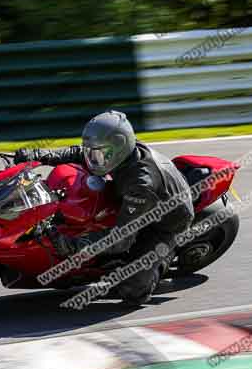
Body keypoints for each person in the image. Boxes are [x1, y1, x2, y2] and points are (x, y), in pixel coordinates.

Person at [14, 110, 195, 305]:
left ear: (117, 148)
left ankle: (163, 259)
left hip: (165, 222)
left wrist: (71, 245)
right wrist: (38, 156)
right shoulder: (117, 154)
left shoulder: (142, 184)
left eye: (98, 153)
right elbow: (79, 153)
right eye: (92, 151)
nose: (92, 158)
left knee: (131, 290)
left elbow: (121, 239)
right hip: (134, 202)